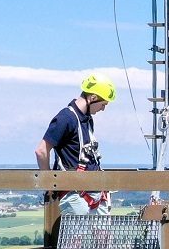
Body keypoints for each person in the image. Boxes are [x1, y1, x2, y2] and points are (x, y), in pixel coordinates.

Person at [36, 74, 115, 215]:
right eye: (103, 104)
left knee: (104, 237)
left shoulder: (86, 119)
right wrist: (49, 182)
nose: (103, 109)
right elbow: (41, 150)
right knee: (76, 237)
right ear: (93, 98)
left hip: (94, 190)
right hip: (74, 194)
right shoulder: (66, 118)